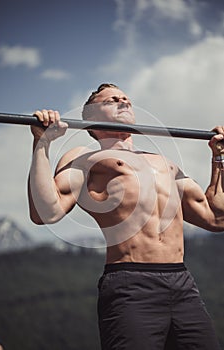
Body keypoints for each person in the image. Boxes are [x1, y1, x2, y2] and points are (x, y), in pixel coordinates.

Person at [28, 83, 223, 349]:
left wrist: (219, 159)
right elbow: (45, 212)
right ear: (92, 118)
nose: (123, 101)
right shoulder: (86, 158)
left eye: (125, 98)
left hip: (182, 284)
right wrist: (42, 142)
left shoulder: (163, 162)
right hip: (131, 284)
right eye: (111, 100)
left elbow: (215, 218)